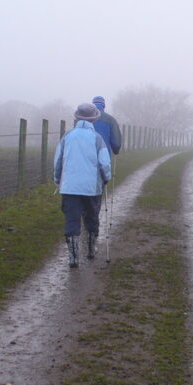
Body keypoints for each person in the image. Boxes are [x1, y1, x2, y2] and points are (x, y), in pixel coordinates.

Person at [53, 102, 112, 268]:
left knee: (72, 219)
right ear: (94, 119)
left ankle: (73, 257)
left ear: (77, 118)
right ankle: (91, 249)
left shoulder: (67, 136)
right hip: (91, 188)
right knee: (92, 217)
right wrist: (106, 178)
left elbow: (58, 160)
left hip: (70, 187)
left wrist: (57, 178)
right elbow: (104, 163)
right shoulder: (97, 138)